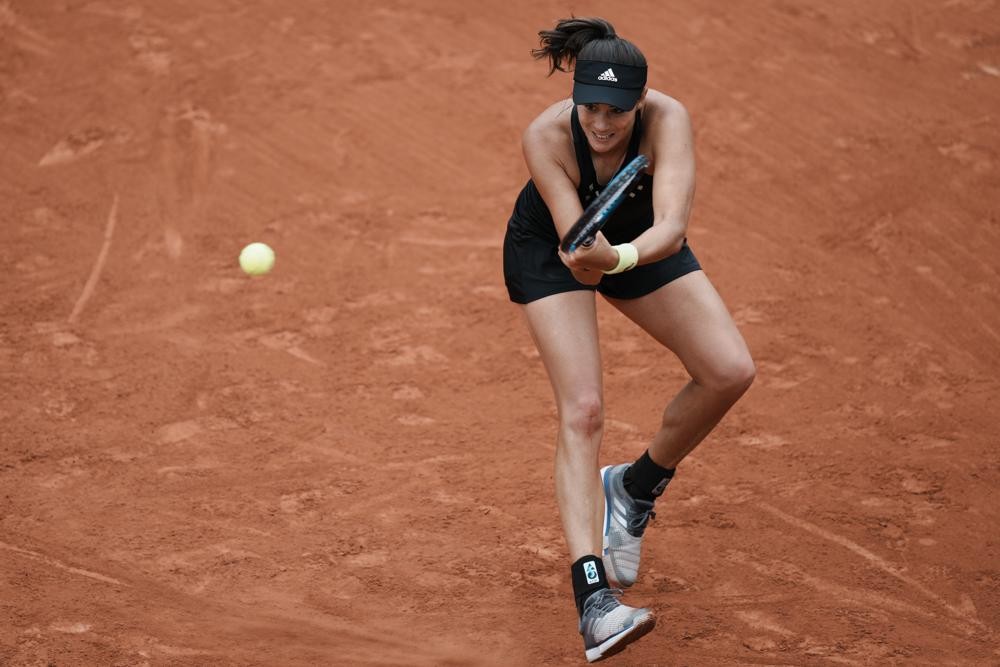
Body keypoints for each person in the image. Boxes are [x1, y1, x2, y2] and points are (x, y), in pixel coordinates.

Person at [502, 16, 756, 662]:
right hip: (549, 250)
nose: (603, 123)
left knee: (728, 369)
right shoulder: (546, 135)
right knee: (583, 409)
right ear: (575, 97)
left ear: (640, 102)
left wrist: (617, 259)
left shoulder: (669, 120)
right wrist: (589, 254)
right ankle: (593, 598)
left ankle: (635, 486)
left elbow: (670, 227)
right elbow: (572, 235)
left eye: (617, 111)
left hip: (636, 241)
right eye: (590, 107)